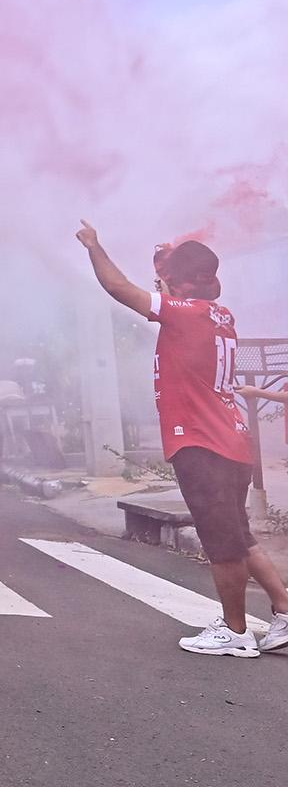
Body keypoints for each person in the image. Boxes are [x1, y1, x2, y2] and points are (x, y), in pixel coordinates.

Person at [77, 220, 288, 656]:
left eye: (167, 275)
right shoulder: (219, 315)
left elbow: (120, 289)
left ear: (180, 281)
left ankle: (234, 631)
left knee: (223, 544)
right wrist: (170, 266)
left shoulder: (185, 312)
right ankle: (285, 611)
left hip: (203, 445)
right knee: (240, 537)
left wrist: (95, 247)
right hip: (232, 442)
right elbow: (180, 285)